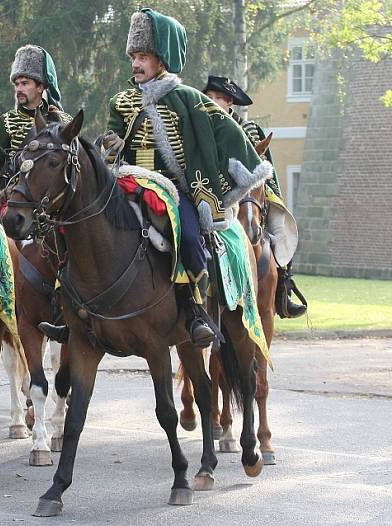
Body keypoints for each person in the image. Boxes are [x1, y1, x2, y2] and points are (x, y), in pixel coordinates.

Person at [42, 8, 273, 348]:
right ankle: (67, 308)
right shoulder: (121, 101)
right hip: (127, 183)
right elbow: (110, 137)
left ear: (162, 59)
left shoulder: (190, 100)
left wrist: (241, 172)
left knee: (192, 235)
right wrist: (111, 143)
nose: (136, 63)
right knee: (71, 226)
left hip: (174, 189)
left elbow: (227, 134)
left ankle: (195, 311)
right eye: (133, 56)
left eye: (144, 56)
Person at [202, 75, 307, 318]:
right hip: (211, 194)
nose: (215, 102)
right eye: (210, 97)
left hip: (251, 193)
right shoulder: (202, 129)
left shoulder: (248, 129)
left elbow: (264, 166)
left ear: (230, 102)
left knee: (280, 229)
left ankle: (284, 288)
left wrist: (273, 196)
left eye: (220, 98)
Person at [0, 45, 70, 210]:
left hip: (55, 205)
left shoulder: (65, 121)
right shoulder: (6, 122)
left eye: (25, 83)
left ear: (41, 86)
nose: (19, 89)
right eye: (17, 84)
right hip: (15, 204)